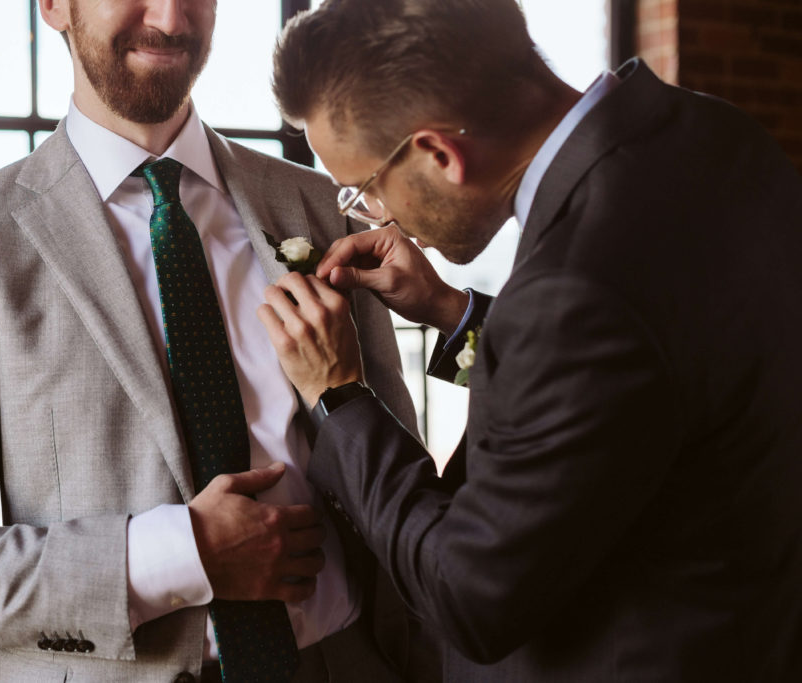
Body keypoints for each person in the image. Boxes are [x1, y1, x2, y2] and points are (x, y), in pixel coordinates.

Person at [0, 1, 435, 681]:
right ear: (52, 6)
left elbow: (398, 472)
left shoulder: (317, 207)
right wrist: (181, 553)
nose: (169, 17)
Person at [258, 0, 802, 681]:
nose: (379, 215)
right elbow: (636, 385)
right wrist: (453, 312)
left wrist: (339, 397)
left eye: (364, 189)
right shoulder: (714, 130)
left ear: (437, 152)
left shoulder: (574, 289)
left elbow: (468, 593)